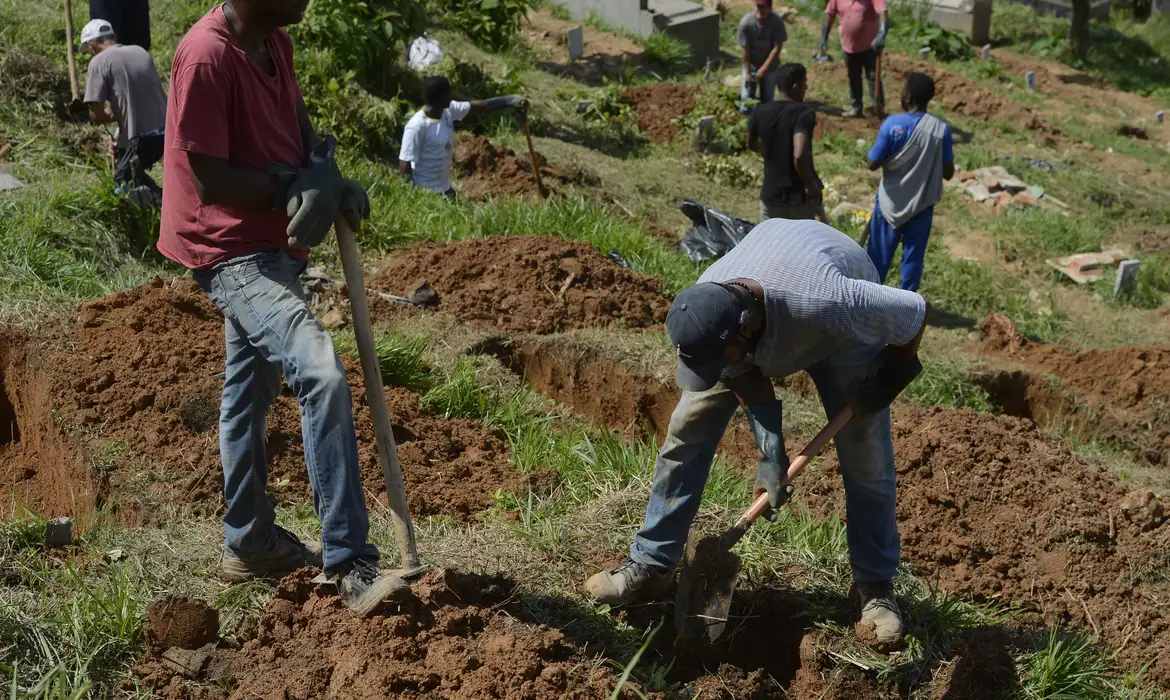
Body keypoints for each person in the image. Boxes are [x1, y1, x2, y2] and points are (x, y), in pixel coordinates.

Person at [159, 0, 402, 617]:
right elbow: (208, 175)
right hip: (229, 252)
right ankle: (349, 561)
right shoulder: (208, 56)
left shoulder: (276, 43)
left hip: (273, 244)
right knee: (319, 371)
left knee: (247, 395)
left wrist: (325, 172)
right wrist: (289, 188)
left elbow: (298, 129)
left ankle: (249, 542)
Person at [584, 218, 928, 648]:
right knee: (685, 430)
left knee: (866, 451)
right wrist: (771, 452)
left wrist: (889, 376)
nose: (712, 372)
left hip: (835, 313)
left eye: (716, 360)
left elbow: (914, 312)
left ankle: (876, 587)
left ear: (744, 327)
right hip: (767, 293)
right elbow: (739, 369)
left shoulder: (832, 299)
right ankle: (652, 564)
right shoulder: (709, 305)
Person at [865, 72, 955, 292]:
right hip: (921, 206)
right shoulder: (940, 130)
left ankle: (866, 298)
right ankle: (906, 308)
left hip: (890, 204)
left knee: (877, 257)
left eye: (904, 89)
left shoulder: (892, 124)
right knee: (912, 261)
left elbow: (872, 164)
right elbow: (949, 173)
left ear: (909, 97)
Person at [81, 18, 166, 202]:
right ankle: (162, 202)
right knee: (130, 170)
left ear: (91, 45)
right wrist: (120, 138)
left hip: (141, 139)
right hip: (167, 132)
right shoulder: (140, 51)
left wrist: (103, 116)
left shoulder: (98, 62)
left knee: (123, 181)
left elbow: (97, 115)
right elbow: (136, 103)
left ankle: (163, 205)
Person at [398, 76, 528, 197]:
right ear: (441, 97)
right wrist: (410, 196)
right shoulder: (417, 126)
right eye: (449, 92)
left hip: (444, 188)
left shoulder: (447, 111)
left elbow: (477, 106)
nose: (452, 95)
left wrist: (508, 101)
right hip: (425, 192)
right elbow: (405, 163)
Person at [747, 63, 824, 221]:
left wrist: (770, 151)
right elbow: (799, 154)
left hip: (770, 197)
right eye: (805, 83)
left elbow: (751, 144)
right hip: (798, 199)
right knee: (813, 244)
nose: (806, 87)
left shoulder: (759, 112)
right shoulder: (803, 113)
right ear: (795, 86)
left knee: (773, 245)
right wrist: (810, 185)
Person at [821, 0, 887, 117]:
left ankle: (878, 108)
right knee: (853, 76)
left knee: (873, 76)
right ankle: (856, 108)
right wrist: (824, 37)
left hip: (870, 46)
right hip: (849, 46)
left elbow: (883, 12)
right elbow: (829, 14)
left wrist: (882, 32)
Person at [736, 0, 786, 114]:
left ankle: (765, 124)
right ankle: (746, 122)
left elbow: (777, 48)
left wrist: (764, 68)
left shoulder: (776, 23)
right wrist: (748, 72)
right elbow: (745, 50)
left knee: (767, 101)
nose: (760, 10)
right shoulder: (746, 23)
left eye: (763, 7)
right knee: (746, 100)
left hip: (770, 66)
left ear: (770, 8)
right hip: (751, 64)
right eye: (758, 6)